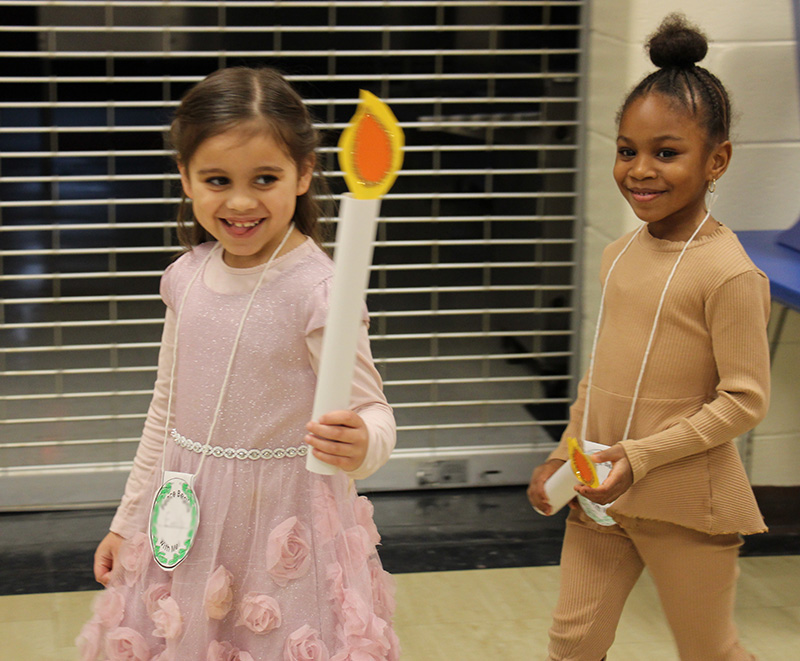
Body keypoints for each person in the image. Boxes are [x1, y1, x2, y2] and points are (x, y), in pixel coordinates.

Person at [77, 67, 399, 661]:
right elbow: (165, 411)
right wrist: (126, 520)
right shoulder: (186, 277)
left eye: (266, 178)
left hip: (284, 529)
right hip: (187, 520)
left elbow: (370, 408)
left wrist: (366, 442)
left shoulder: (320, 289)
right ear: (185, 177)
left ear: (304, 174)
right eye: (217, 179)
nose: (241, 201)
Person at [527, 14, 770, 661]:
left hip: (686, 502)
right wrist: (563, 454)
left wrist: (640, 456)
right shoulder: (619, 254)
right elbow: (600, 372)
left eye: (666, 152)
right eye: (626, 149)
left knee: (707, 648)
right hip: (598, 491)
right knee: (573, 640)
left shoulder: (731, 272)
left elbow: (745, 400)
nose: (640, 169)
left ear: (716, 159)